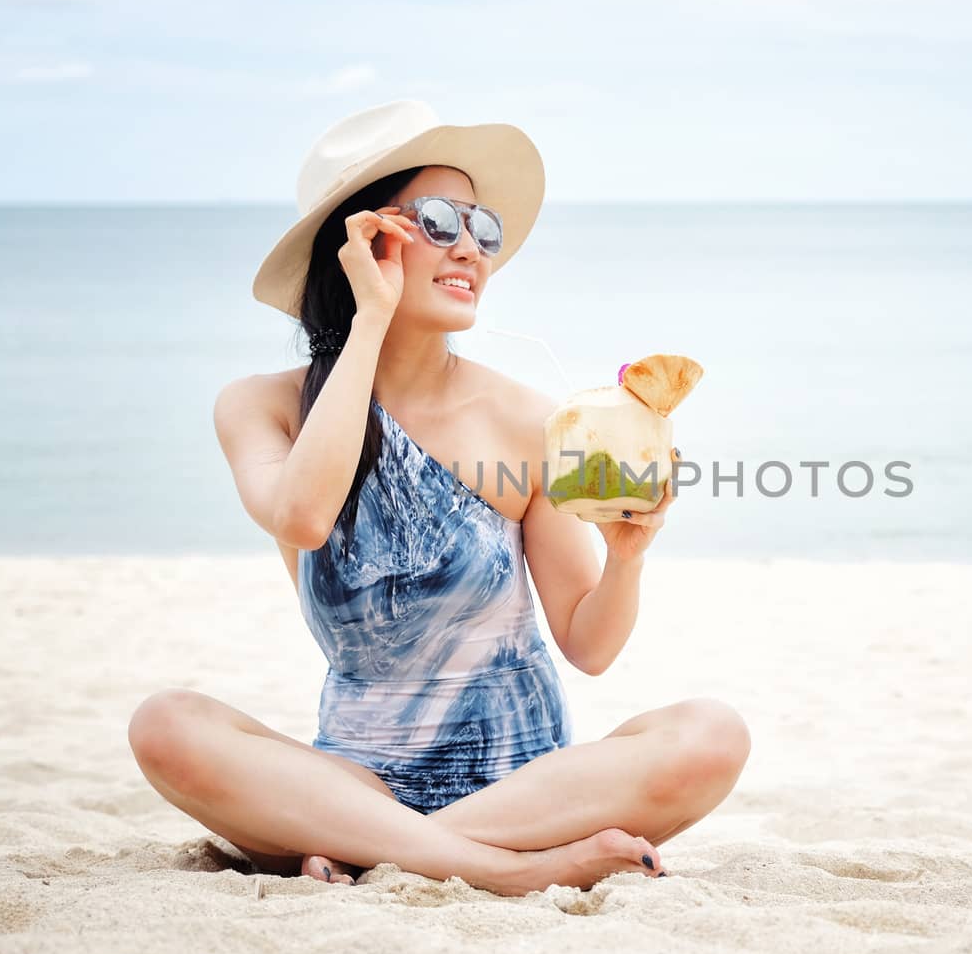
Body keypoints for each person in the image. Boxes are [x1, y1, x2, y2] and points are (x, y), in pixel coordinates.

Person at [126, 101, 751, 898]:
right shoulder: (264, 407)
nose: (471, 249)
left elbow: (588, 645)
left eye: (483, 228)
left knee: (712, 734)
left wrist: (627, 561)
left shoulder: (527, 419)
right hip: (356, 783)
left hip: (521, 791)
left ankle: (384, 852)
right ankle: (506, 872)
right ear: (360, 241)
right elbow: (305, 514)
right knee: (166, 723)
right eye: (437, 220)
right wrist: (370, 320)